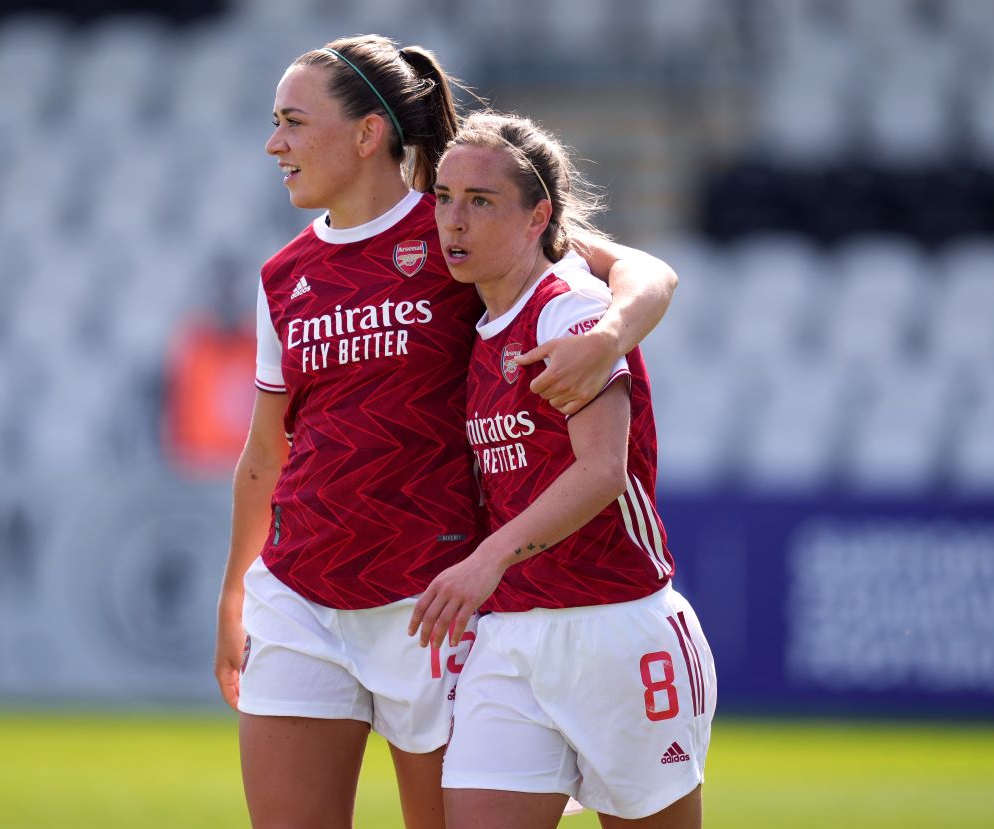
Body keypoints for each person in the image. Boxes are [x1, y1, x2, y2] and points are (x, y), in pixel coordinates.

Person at [212, 35, 680, 829]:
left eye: (292, 121)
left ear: (367, 134)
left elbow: (645, 271)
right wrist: (234, 589)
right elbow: (265, 454)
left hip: (432, 601)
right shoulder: (282, 275)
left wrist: (606, 337)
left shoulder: (465, 231)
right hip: (298, 594)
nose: (274, 143)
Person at [409, 112, 717, 829]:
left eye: (480, 202)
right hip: (512, 635)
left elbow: (603, 470)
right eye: (444, 198)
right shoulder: (485, 316)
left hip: (617, 629)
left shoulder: (567, 308)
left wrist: (486, 559)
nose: (453, 220)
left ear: (536, 216)